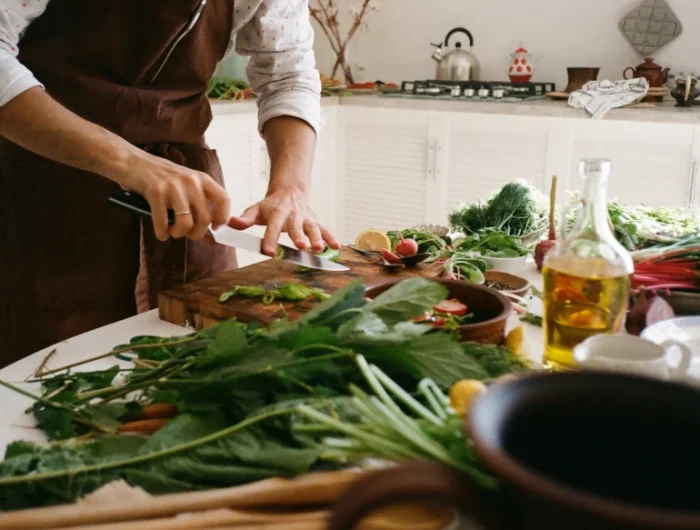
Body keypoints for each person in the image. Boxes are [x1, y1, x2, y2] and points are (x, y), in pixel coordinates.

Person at [0, 0, 339, 366]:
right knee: (48, 375)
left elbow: (289, 75)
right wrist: (128, 161)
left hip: (190, 205)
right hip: (43, 189)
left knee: (209, 360)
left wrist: (291, 187)